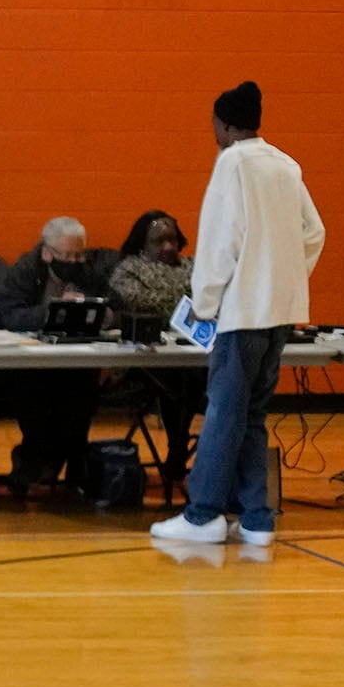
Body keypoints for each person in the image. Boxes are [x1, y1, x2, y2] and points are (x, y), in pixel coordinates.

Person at [155, 81, 326, 549]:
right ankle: (256, 519)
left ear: (224, 124)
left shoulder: (232, 162)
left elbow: (218, 242)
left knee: (223, 415)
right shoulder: (286, 164)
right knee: (252, 415)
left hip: (241, 313)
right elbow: (315, 231)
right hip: (280, 313)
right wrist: (286, 275)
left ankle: (203, 514)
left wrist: (206, 305)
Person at [0, 216, 112, 492]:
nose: (74, 262)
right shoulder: (25, 270)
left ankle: (72, 465)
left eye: (79, 255)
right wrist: (55, 310)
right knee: (35, 391)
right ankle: (34, 459)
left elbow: (116, 309)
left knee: (83, 390)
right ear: (47, 253)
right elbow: (11, 316)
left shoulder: (89, 272)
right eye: (67, 255)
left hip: (74, 362)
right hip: (24, 365)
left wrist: (100, 313)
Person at [107, 209, 200, 492]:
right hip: (143, 364)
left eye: (172, 239)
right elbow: (141, 302)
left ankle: (192, 452)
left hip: (193, 355)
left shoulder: (194, 265)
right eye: (159, 241)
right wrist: (189, 301)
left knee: (199, 376)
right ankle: (178, 448)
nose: (168, 247)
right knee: (179, 379)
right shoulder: (127, 270)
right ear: (141, 245)